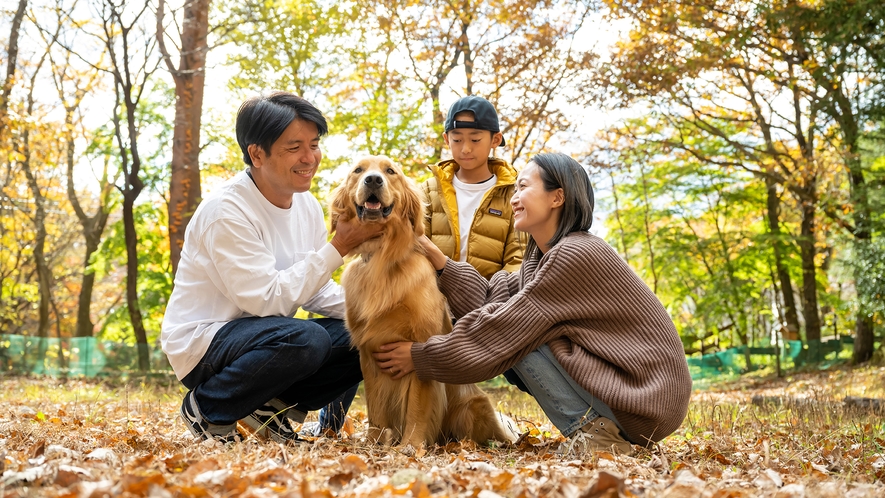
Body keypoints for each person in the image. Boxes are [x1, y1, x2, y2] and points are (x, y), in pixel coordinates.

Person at [374, 153, 692, 455]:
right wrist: (438, 259)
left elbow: (501, 329)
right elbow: (490, 298)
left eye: (524, 187)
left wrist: (420, 356)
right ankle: (600, 429)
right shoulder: (542, 257)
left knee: (517, 338)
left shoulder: (576, 254)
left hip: (643, 399)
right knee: (513, 325)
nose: (514, 198)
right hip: (634, 396)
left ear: (557, 197)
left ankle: (593, 433)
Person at [161, 92, 382, 444]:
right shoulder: (227, 211)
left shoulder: (306, 205)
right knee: (305, 338)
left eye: (314, 144)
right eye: (294, 147)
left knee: (368, 330)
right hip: (204, 344)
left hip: (265, 337)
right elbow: (266, 301)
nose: (309, 158)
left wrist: (378, 312)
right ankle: (208, 407)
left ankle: (268, 407)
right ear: (257, 153)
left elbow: (314, 287)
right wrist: (338, 246)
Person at [421, 96, 522, 279]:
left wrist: (490, 300)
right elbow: (415, 250)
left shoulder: (514, 195)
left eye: (475, 140)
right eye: (457, 140)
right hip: (431, 300)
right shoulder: (428, 192)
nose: (465, 148)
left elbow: (517, 261)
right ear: (446, 139)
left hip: (493, 303)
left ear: (495, 139)